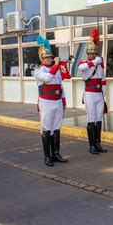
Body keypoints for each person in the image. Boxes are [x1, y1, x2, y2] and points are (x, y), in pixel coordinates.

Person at [34, 37, 68, 167]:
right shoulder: (39, 70)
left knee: (56, 127)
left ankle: (56, 153)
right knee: (47, 128)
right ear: (41, 59)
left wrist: (63, 100)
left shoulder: (55, 68)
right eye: (47, 57)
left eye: (50, 57)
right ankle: (47, 156)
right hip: (47, 101)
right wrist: (56, 66)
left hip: (57, 100)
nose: (49, 59)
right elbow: (48, 79)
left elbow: (60, 85)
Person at [78, 28, 108, 154]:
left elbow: (103, 79)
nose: (93, 55)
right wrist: (94, 62)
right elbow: (81, 68)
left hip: (99, 94)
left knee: (99, 118)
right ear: (88, 54)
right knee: (91, 118)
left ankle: (98, 143)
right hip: (89, 93)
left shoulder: (99, 64)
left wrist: (104, 92)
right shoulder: (84, 63)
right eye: (91, 54)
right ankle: (91, 145)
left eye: (95, 53)